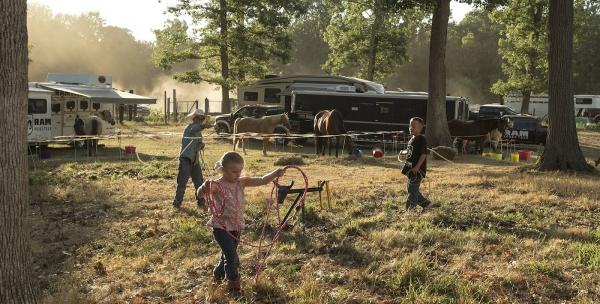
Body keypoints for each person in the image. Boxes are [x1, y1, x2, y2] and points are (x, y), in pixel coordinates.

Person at [197, 151, 283, 295]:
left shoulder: (242, 182)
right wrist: (203, 188)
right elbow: (200, 193)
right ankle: (234, 286)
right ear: (223, 170)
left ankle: (217, 276)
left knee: (227, 255)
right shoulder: (217, 185)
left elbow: (262, 179)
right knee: (233, 258)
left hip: (236, 227)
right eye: (233, 171)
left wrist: (275, 173)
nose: (237, 174)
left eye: (239, 171)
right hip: (221, 227)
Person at [173, 109, 210, 208]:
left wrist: (201, 145)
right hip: (186, 159)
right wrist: (204, 126)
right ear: (195, 118)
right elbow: (194, 129)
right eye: (200, 118)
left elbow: (197, 143)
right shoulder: (189, 128)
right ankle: (177, 203)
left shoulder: (198, 131)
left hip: (195, 160)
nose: (201, 120)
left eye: (203, 118)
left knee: (199, 182)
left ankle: (201, 202)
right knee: (182, 182)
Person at [402, 117, 432, 209]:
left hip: (417, 170)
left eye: (413, 126)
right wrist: (404, 152)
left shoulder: (421, 139)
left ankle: (410, 210)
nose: (411, 128)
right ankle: (427, 205)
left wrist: (417, 167)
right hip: (411, 169)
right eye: (410, 126)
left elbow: (423, 154)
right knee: (411, 189)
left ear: (420, 127)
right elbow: (411, 151)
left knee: (412, 190)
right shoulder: (412, 139)